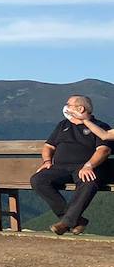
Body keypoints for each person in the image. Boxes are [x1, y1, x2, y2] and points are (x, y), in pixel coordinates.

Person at [32, 95, 113, 235]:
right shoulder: (63, 125)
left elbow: (104, 147)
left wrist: (88, 165)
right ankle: (74, 220)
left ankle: (67, 221)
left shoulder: (101, 126)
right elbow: (48, 146)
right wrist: (47, 161)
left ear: (81, 108)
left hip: (85, 167)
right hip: (60, 167)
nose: (66, 108)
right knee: (38, 179)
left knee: (89, 181)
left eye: (68, 104)